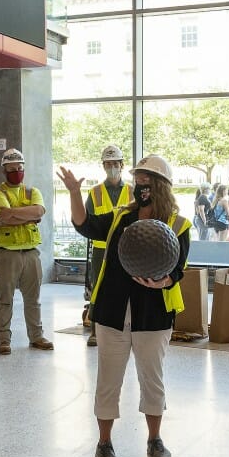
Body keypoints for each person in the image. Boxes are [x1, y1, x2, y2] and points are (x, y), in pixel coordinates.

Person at [57, 155, 190, 457]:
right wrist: (75, 193)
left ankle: (154, 440)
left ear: (161, 186)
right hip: (113, 312)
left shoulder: (178, 225)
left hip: (153, 316)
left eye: (146, 179)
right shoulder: (120, 218)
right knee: (108, 381)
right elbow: (85, 225)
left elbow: (179, 268)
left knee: (153, 381)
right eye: (138, 179)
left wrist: (165, 279)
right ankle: (104, 444)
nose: (139, 184)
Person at [0, 148, 52, 354]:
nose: (16, 171)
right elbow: (4, 215)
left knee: (33, 299)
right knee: (5, 298)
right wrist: (28, 216)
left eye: (19, 167)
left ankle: (36, 337)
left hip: (31, 252)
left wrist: (12, 214)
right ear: (4, 170)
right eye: (12, 168)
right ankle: (4, 340)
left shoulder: (33, 191)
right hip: (7, 253)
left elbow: (39, 211)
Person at [84, 145, 131, 347]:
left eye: (115, 163)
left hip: (126, 247)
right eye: (108, 164)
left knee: (126, 287)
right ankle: (95, 331)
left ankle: (125, 327)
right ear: (103, 166)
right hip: (101, 248)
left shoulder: (132, 190)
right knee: (98, 288)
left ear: (122, 165)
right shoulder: (94, 193)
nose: (112, 167)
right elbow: (88, 221)